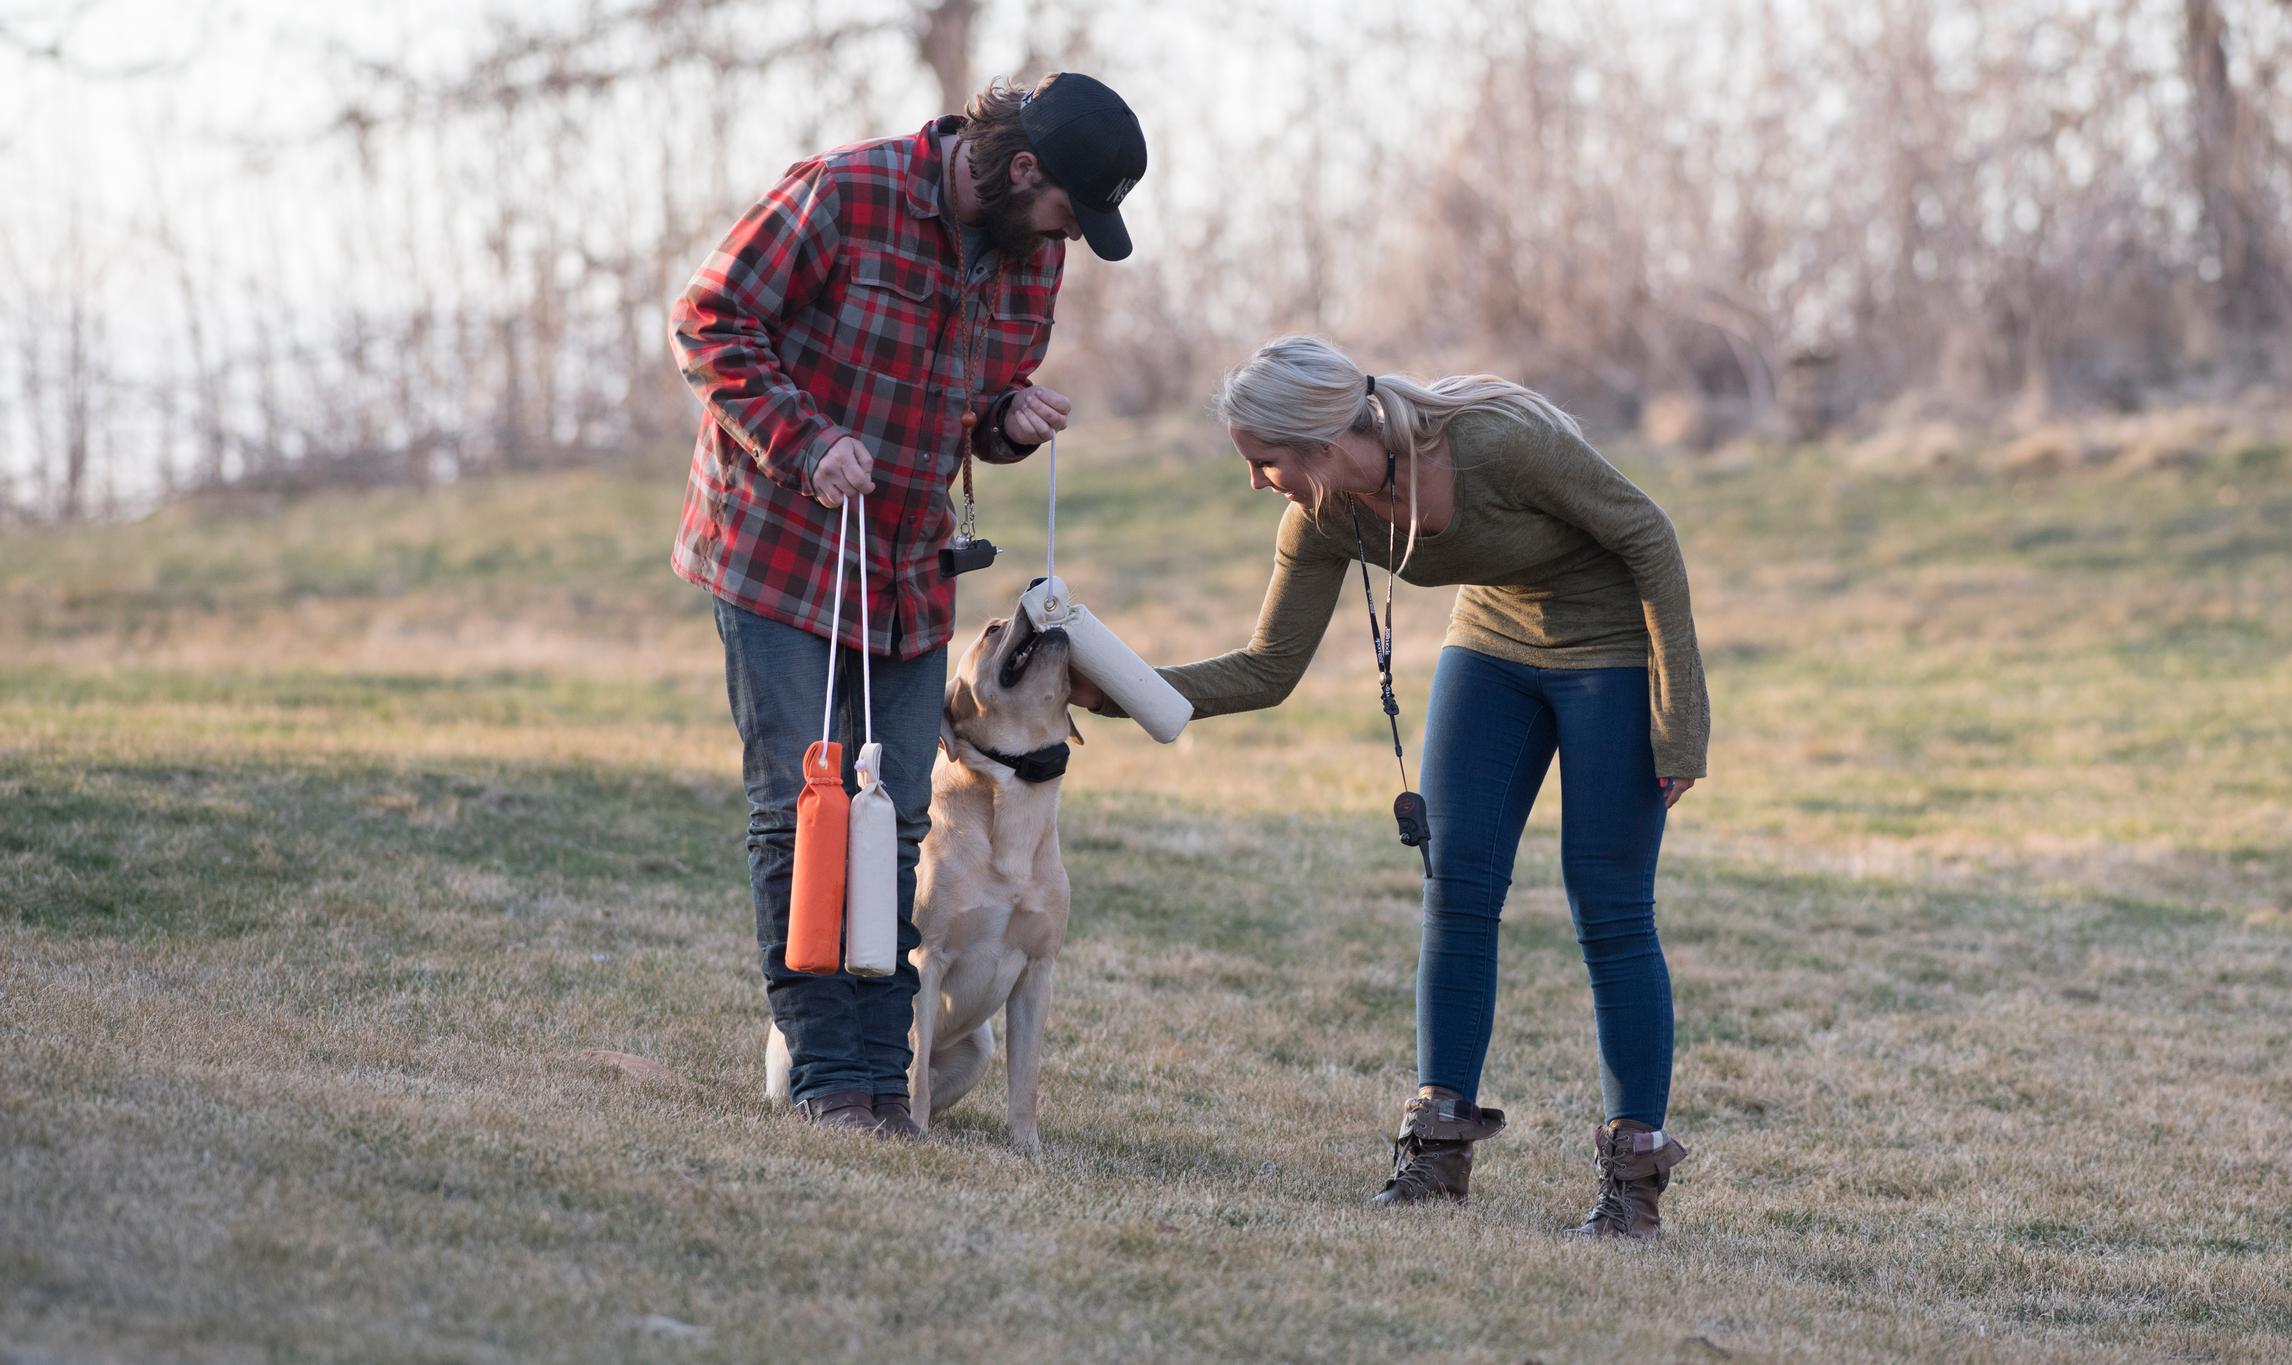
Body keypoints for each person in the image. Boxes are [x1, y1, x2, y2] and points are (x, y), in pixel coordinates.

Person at [1075, 335, 1709, 1239]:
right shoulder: (1328, 511)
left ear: (1322, 439)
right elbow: (1269, 666)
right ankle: (1437, 1153)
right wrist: (1117, 688)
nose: (1257, 482)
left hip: (1608, 645)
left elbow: (1649, 533)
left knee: (1608, 906)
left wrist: (1678, 715)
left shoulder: (1495, 442)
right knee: (1457, 883)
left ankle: (1633, 1184)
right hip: (1492, 642)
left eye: (1265, 462)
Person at [669, 73, 1145, 1138]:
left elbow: (975, 409)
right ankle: (829, 1073)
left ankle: (889, 1073)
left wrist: (1011, 420)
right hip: (779, 547)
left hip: (908, 572)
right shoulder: (845, 194)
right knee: (809, 812)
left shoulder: (1036, 255)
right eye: (1071, 208)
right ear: (1025, 172)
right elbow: (708, 319)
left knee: (901, 818)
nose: (1068, 235)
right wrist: (805, 440)